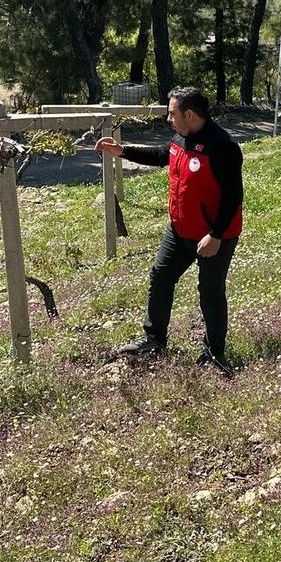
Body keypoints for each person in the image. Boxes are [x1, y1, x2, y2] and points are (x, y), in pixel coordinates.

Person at [98, 86, 243, 373]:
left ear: (189, 114)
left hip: (214, 235)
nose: (168, 118)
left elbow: (233, 197)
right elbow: (162, 154)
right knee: (161, 276)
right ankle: (154, 340)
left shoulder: (221, 146)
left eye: (172, 113)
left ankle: (214, 353)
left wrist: (215, 235)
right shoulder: (180, 137)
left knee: (210, 292)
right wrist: (123, 151)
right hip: (179, 230)